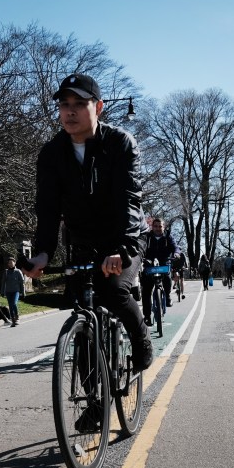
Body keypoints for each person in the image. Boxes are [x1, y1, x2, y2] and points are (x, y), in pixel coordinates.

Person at [25, 72, 153, 372]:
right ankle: (92, 403)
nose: (70, 111)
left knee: (114, 290)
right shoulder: (51, 154)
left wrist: (120, 250)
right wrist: (42, 252)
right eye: (64, 104)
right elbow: (48, 210)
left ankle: (141, 338)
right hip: (83, 240)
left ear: (98, 107)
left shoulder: (120, 143)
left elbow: (129, 201)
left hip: (126, 235)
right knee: (83, 308)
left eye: (79, 104)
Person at [140, 217, 176, 322]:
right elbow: (141, 247)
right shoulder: (147, 237)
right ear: (152, 227)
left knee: (168, 279)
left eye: (160, 226)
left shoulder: (168, 237)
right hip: (149, 265)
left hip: (164, 263)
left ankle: (168, 296)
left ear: (163, 227)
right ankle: (147, 316)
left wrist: (176, 253)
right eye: (155, 226)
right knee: (146, 291)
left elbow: (175, 247)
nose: (157, 228)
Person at [0, 256, 24, 327]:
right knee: (10, 306)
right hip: (8, 292)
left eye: (11, 262)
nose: (10, 264)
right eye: (9, 263)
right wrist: (2, 292)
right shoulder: (6, 272)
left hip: (16, 291)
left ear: (14, 263)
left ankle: (17, 316)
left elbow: (22, 283)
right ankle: (13, 321)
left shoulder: (18, 271)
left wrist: (23, 292)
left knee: (14, 303)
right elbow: (3, 282)